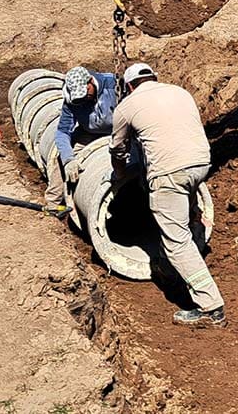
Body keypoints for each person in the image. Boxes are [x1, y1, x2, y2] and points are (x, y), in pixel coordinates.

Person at [111, 62, 225, 328]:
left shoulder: (127, 106)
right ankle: (168, 268)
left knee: (177, 241)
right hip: (199, 164)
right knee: (180, 221)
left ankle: (211, 307)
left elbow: (118, 149)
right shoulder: (179, 92)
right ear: (155, 78)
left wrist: (119, 174)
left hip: (169, 174)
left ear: (128, 86)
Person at [45, 65, 118, 208]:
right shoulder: (72, 99)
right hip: (88, 134)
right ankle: (52, 203)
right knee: (62, 158)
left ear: (90, 81)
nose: (85, 98)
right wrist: (68, 160)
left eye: (86, 93)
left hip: (120, 131)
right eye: (80, 97)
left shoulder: (113, 85)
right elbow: (62, 132)